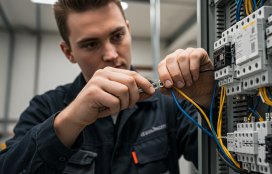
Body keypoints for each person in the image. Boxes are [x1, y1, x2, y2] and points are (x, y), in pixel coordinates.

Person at [0, 0, 217, 173]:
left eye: (117, 35)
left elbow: (221, 163)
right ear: (69, 52)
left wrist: (209, 101)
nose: (111, 54)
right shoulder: (45, 107)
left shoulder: (170, 101)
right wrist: (71, 120)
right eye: (91, 44)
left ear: (128, 31)